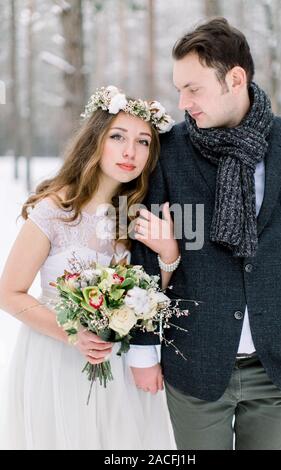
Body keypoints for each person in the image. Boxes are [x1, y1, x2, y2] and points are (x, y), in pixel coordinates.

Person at [129, 18, 281, 450]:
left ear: (235, 79)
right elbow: (145, 250)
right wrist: (144, 350)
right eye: (179, 88)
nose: (183, 102)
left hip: (278, 363)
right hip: (195, 363)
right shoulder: (169, 150)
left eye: (194, 88)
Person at [0, 86, 178, 450]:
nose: (131, 151)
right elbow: (8, 292)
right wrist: (73, 335)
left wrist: (168, 252)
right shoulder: (55, 209)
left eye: (144, 142)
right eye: (118, 137)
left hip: (121, 366)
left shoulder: (137, 215)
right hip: (56, 360)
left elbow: (152, 295)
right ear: (95, 139)